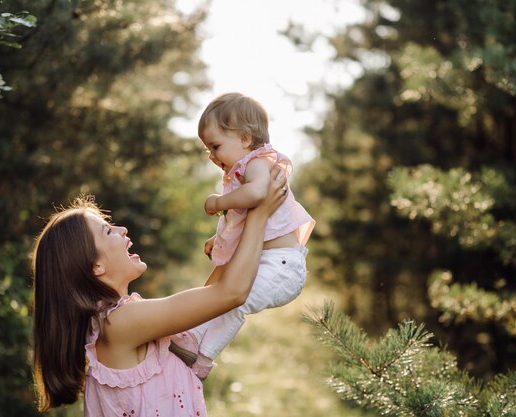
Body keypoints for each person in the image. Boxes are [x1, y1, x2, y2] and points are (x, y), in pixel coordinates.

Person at [31, 167, 287, 416]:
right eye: (108, 230)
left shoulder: (111, 323)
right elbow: (231, 294)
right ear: (95, 265)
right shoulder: (119, 322)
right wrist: (259, 214)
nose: (122, 229)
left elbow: (210, 302)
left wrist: (230, 239)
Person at [172, 92, 315, 379]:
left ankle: (203, 356)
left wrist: (218, 202)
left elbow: (257, 194)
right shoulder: (242, 169)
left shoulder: (258, 164)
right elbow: (245, 220)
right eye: (207, 150)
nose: (212, 156)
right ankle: (189, 338)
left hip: (281, 267)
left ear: (246, 139)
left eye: (216, 146)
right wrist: (219, 239)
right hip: (270, 261)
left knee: (234, 301)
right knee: (221, 292)